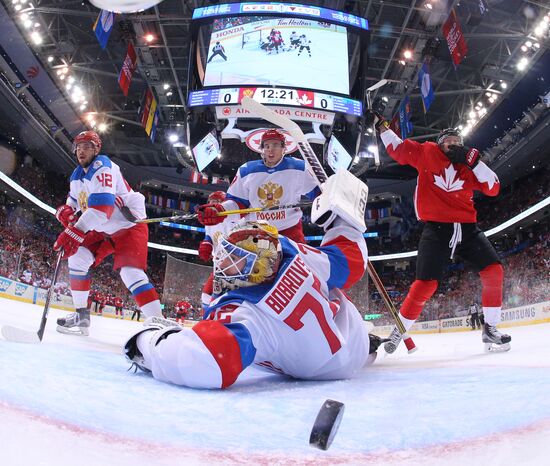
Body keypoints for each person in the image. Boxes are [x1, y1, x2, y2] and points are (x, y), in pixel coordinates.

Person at [124, 170, 386, 389]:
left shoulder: (247, 311)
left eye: (234, 258)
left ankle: (368, 346)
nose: (223, 264)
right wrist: (341, 218)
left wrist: (147, 341)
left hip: (321, 371)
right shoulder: (292, 251)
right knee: (339, 311)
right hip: (353, 338)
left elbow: (207, 361)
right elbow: (350, 263)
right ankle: (370, 344)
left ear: (256, 266)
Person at [373, 121, 511, 352]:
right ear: (440, 143)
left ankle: (490, 329)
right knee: (425, 285)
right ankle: (399, 330)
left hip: (467, 229)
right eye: (449, 141)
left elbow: (493, 187)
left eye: (458, 142)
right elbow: (398, 149)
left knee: (494, 270)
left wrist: (475, 162)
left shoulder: (469, 166)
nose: (454, 144)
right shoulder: (427, 152)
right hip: (437, 229)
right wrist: (383, 128)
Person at [53, 130, 163, 336]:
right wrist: (65, 213)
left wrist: (74, 232)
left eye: (87, 147)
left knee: (130, 273)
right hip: (102, 228)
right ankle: (81, 315)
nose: (81, 151)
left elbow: (102, 209)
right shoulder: (76, 176)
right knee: (77, 257)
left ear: (96, 149)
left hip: (128, 226)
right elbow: (74, 205)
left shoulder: (103, 166)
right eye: (78, 147)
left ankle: (158, 322)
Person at [195, 129, 319, 244]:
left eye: (275, 145)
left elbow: (316, 192)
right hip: (255, 231)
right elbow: (237, 204)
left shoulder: (299, 167)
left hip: (289, 230)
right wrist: (219, 211)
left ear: (284, 149)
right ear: (262, 150)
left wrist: (326, 197)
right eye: (267, 146)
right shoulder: (246, 170)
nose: (271, 150)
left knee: (299, 265)